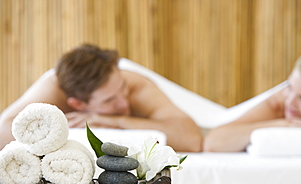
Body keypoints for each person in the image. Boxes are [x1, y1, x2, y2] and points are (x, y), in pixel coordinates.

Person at [0, 44, 202, 152]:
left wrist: (116, 120)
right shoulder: (53, 89)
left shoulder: (136, 87)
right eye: (109, 101)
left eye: (122, 88)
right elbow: (5, 129)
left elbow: (193, 140)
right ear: (77, 105)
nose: (124, 102)